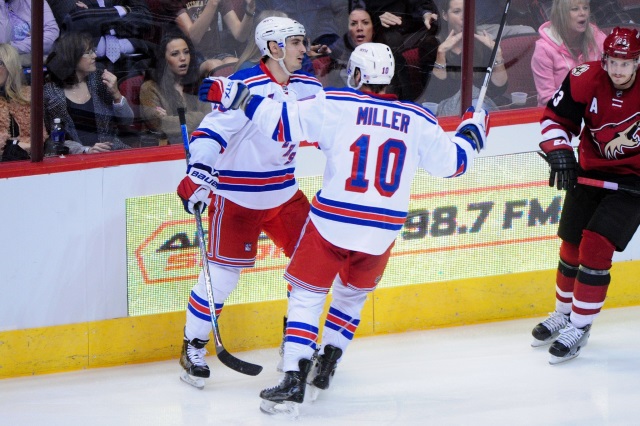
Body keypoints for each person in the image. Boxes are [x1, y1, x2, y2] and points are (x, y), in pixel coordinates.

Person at [200, 42, 489, 413]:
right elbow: (455, 165)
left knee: (307, 295)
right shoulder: (419, 118)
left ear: (356, 74)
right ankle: (328, 362)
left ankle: (293, 377)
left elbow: (281, 124)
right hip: (382, 229)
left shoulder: (335, 103)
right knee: (351, 297)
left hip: (334, 220)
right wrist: (472, 129)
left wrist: (238, 95)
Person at [174, 16, 323, 389]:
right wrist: (199, 172)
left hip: (285, 194)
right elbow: (210, 132)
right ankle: (192, 344)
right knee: (222, 277)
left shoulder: (307, 85)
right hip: (237, 197)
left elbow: (326, 128)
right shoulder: (243, 85)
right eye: (296, 42)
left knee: (312, 267)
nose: (304, 50)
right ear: (274, 48)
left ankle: (298, 343)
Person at [531, 27, 640, 364]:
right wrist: (560, 151)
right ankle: (562, 315)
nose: (618, 69)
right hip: (590, 174)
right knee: (571, 244)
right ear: (603, 59)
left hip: (633, 183)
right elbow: (555, 120)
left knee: (595, 244)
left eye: (626, 63)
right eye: (613, 61)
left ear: (638, 62)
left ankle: (579, 326)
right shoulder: (584, 78)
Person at [44, 32, 133, 154]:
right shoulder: (51, 93)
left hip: (111, 151)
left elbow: (127, 121)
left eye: (93, 50)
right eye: (88, 52)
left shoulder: (99, 81)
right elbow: (53, 139)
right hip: (73, 161)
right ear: (72, 57)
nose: (95, 56)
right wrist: (85, 150)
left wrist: (116, 94)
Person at [416, 0, 507, 115]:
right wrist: (441, 54)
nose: (464, 17)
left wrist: (497, 55)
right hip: (444, 111)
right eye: (457, 11)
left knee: (477, 105)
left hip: (481, 107)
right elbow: (434, 94)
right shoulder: (431, 45)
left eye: (467, 11)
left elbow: (498, 89)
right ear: (445, 15)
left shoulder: (483, 44)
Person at [139, 32, 210, 145]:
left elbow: (210, 117)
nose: (183, 58)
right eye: (175, 54)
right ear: (164, 60)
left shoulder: (199, 83)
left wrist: (174, 121)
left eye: (186, 52)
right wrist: (200, 116)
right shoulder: (149, 88)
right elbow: (160, 124)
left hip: (202, 144)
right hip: (166, 150)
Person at [531, 0, 607, 106]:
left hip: (594, 111)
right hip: (556, 115)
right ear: (561, 14)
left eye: (585, 8)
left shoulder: (598, 38)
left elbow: (612, 78)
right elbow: (547, 98)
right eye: (575, 9)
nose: (582, 13)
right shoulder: (544, 49)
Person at [362, 0, 440, 100]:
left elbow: (422, 5)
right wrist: (374, 19)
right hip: (377, 38)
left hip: (410, 34)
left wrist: (427, 13)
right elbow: (350, 11)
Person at [60, 0, 154, 77]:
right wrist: (122, 11)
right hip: (94, 63)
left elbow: (145, 16)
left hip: (134, 59)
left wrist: (98, 17)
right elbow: (76, 23)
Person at [176, 0, 257, 77]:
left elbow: (240, 36)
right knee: (213, 66)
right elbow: (193, 38)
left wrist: (249, 10)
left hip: (215, 53)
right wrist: (213, 2)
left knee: (235, 64)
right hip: (189, 57)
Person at [0, 44, 35, 161]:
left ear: (11, 66)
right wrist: (14, 145)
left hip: (28, 163)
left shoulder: (29, 97)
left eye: (0, 63)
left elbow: (43, 137)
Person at [0, 0, 60, 66]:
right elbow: (3, 42)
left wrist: (12, 48)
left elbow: (52, 36)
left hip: (40, 64)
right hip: (7, 66)